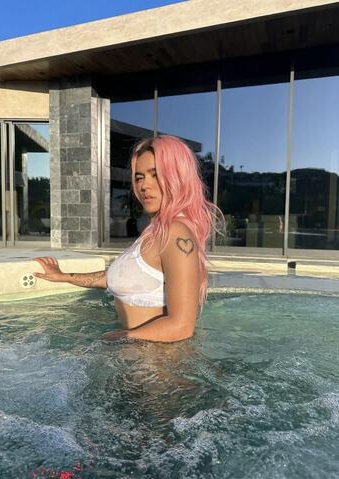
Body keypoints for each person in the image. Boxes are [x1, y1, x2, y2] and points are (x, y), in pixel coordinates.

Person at [33, 135, 224, 343]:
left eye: (155, 175)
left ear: (177, 177)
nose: (144, 186)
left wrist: (118, 338)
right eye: (140, 177)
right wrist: (65, 276)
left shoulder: (176, 232)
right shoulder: (156, 230)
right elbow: (120, 277)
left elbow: (181, 327)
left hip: (156, 360)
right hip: (137, 353)